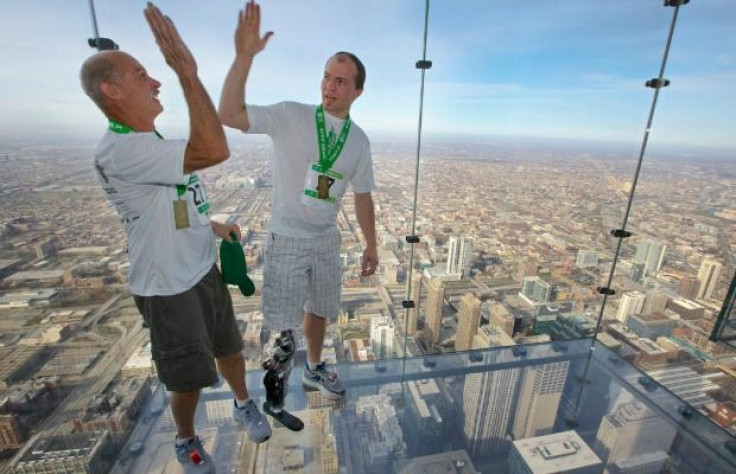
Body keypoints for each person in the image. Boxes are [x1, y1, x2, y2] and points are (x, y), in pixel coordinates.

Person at [79, 2, 270, 470]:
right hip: (167, 286)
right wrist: (187, 72)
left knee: (229, 347)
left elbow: (172, 208)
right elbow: (213, 148)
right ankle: (185, 439)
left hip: (201, 267)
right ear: (111, 90)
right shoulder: (123, 150)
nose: (155, 80)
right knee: (185, 376)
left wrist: (213, 225)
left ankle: (244, 402)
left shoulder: (152, 145)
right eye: (142, 74)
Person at [219, 0, 378, 400]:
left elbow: (362, 196)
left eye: (341, 81)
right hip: (287, 235)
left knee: (321, 309)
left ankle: (313, 368)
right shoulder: (290, 115)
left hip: (325, 237)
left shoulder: (358, 141)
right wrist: (243, 58)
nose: (330, 85)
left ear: (358, 90)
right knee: (283, 318)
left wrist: (372, 244)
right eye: (327, 76)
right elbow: (230, 114)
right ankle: (277, 380)